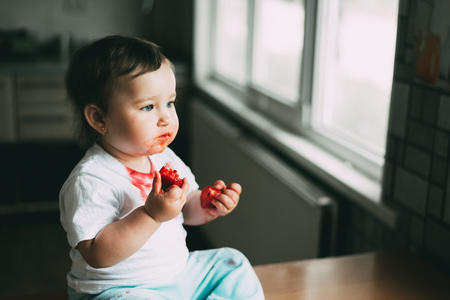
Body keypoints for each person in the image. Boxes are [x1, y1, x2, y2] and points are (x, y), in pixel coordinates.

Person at [59, 35, 264, 300]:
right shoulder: (90, 179)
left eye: (170, 103)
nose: (166, 117)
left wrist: (205, 204)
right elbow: (97, 254)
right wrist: (151, 215)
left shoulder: (164, 157)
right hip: (121, 290)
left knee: (231, 263)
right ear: (99, 118)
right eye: (148, 107)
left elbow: (185, 208)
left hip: (178, 275)